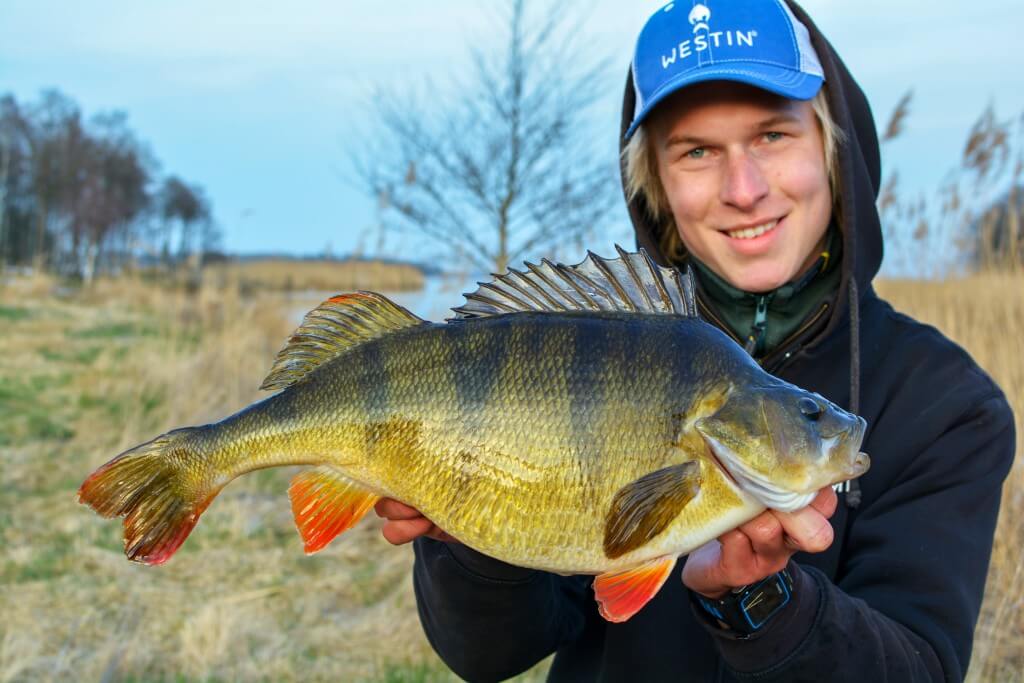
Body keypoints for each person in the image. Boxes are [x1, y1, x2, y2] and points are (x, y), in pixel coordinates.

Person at [375, 1, 1016, 680]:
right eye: (697, 151)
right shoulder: (586, 341)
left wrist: (763, 603)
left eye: (773, 135)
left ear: (833, 149)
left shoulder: (947, 405)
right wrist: (469, 534)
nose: (743, 189)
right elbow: (486, 655)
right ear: (653, 183)